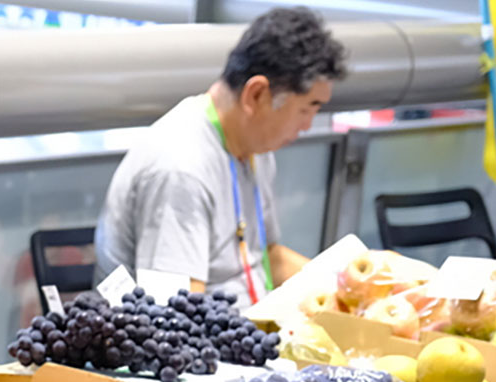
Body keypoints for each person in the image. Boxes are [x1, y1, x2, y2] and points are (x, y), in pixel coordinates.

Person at [94, 7, 346, 306]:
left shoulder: (253, 147)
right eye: (307, 108)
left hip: (249, 328)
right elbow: (174, 312)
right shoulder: (181, 168)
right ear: (256, 95)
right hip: (194, 339)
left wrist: (348, 287)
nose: (307, 125)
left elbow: (266, 257)